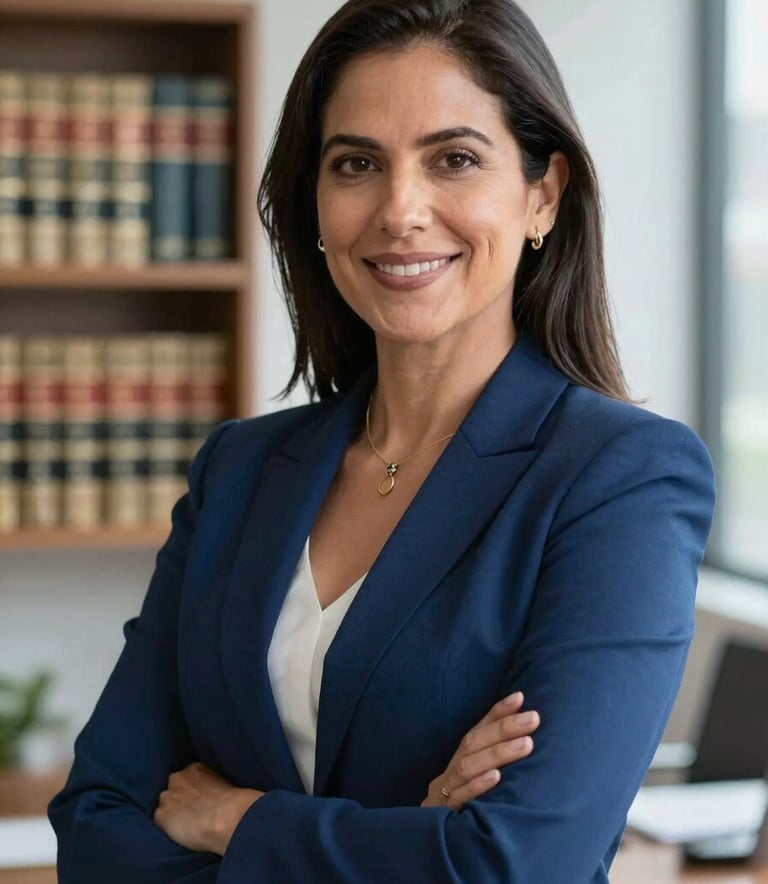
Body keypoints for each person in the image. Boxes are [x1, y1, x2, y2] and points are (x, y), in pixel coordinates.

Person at [49, 0, 716, 881]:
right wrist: (408, 837)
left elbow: (521, 862)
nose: (401, 210)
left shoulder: (618, 478)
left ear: (541, 195)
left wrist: (242, 821)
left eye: (455, 159)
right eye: (357, 163)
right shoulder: (240, 472)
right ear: (316, 203)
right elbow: (96, 824)